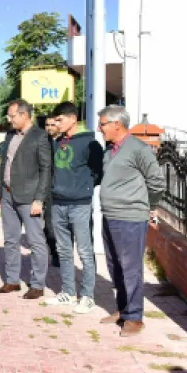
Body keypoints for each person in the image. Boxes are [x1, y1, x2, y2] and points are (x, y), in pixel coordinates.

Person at [97, 106, 165, 337]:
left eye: (103, 123)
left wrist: (149, 206)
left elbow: (156, 182)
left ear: (117, 124)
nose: (100, 128)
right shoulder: (109, 151)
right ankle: (123, 309)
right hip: (110, 215)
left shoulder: (138, 148)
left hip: (130, 218)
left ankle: (135, 317)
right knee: (115, 265)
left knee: (131, 267)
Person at [47, 102, 103, 314]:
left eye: (59, 120)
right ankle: (68, 292)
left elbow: (98, 172)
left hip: (80, 203)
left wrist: (83, 187)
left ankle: (87, 296)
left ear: (72, 118)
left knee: (85, 251)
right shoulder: (58, 142)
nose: (56, 124)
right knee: (63, 250)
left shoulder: (90, 143)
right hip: (58, 202)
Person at [0, 99, 53, 299]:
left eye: (12, 116)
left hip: (29, 197)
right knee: (10, 239)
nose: (9, 120)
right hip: (8, 193)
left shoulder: (40, 136)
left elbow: (46, 169)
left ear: (25, 115)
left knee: (36, 241)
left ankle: (37, 284)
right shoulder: (11, 135)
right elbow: (5, 163)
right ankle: (12, 281)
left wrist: (39, 199)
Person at [43, 117, 61, 268]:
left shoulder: (65, 142)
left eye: (52, 125)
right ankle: (54, 253)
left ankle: (62, 253)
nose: (49, 128)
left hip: (63, 189)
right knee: (49, 226)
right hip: (47, 189)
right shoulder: (43, 142)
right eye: (47, 125)